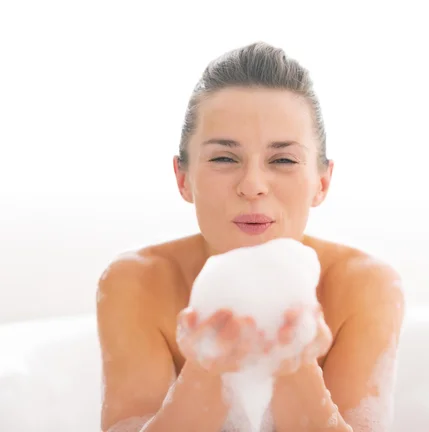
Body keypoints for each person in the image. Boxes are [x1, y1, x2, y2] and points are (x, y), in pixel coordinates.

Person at [96, 41, 405, 432]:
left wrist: (294, 367)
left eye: (283, 160)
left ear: (321, 182)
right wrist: (207, 371)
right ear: (183, 178)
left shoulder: (364, 286)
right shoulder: (137, 284)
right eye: (224, 158)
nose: (253, 185)